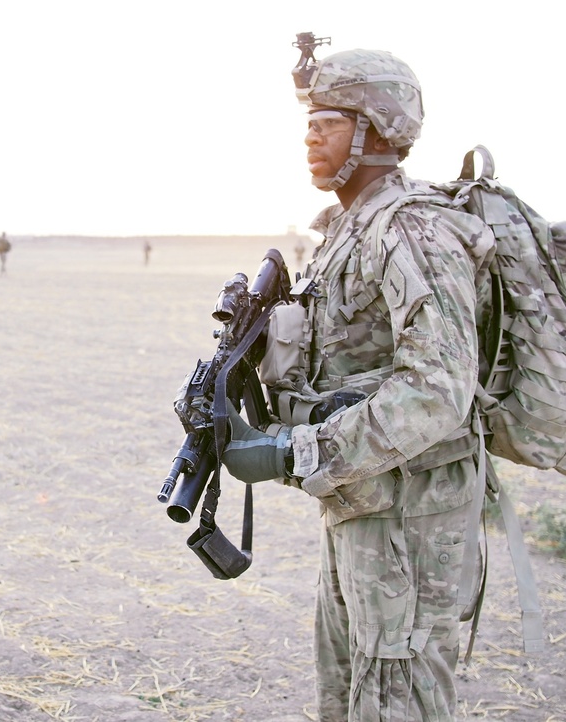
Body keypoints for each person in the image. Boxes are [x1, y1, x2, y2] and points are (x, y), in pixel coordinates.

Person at [220, 45, 496, 720]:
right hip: (364, 504)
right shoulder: (346, 229)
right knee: (345, 700)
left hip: (411, 517)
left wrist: (296, 453)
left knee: (397, 703)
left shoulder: (413, 229)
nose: (311, 134)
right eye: (309, 120)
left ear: (375, 130)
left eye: (330, 120)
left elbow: (437, 388)